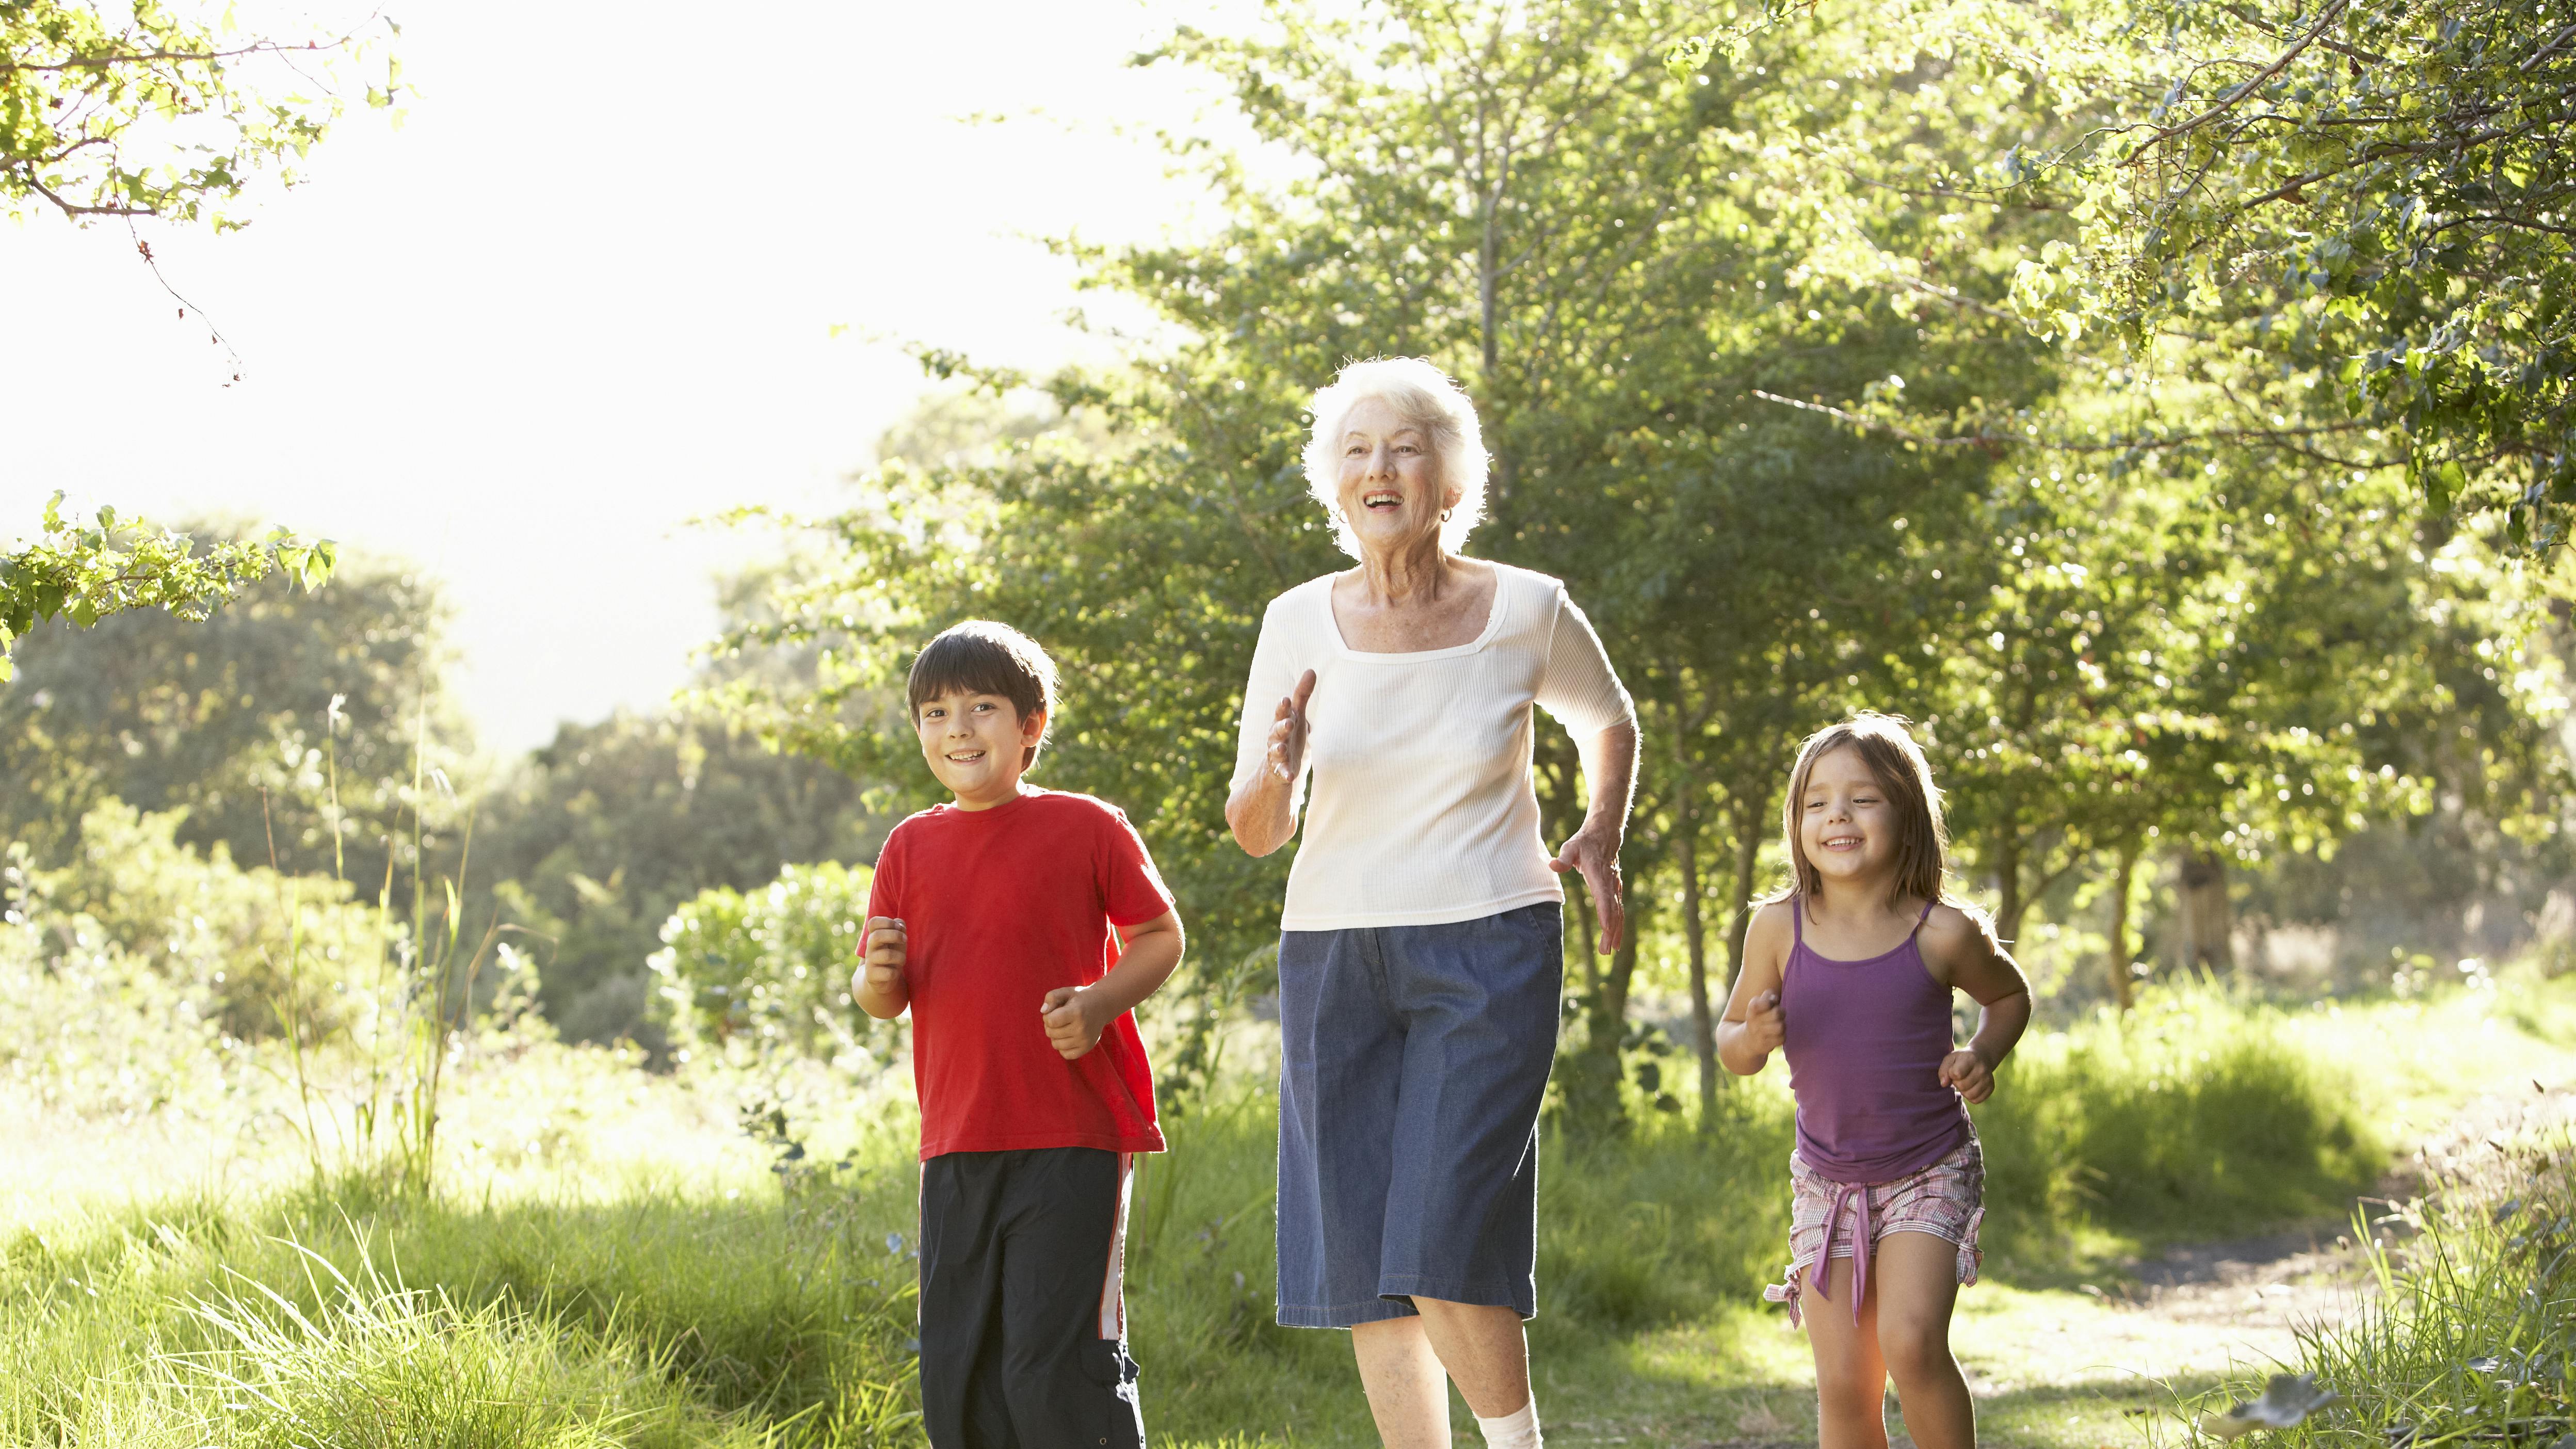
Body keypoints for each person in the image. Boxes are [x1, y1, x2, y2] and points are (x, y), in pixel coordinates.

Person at [1226, 356, 1637, 1449]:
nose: (1379, 466)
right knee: (1365, 1257)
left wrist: (1601, 829)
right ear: (1334, 485)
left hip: (1489, 941)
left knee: (1439, 1231)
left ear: (1451, 484)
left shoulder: (1527, 609)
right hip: (1332, 949)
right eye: (1356, 450)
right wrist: (1281, 766)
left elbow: (1608, 717)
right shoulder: (1295, 623)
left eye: (1405, 447)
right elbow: (1259, 831)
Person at [854, 620, 1184, 1449]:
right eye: (935, 712)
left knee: (1055, 1358)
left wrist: (1100, 1004)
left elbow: (1161, 937)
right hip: (957, 1141)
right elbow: (878, 996)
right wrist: (875, 976)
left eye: (982, 707)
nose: (958, 729)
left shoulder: (1088, 827)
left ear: (1031, 726)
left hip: (1073, 1134)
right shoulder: (908, 847)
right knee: (960, 1358)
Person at [1715, 713, 2033, 1449]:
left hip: (1929, 1168)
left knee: (1914, 1342)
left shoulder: (1943, 931)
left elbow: (2010, 997)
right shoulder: (1777, 928)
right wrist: (1753, 1038)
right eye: (1818, 802)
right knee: (1844, 1383)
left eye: (1863, 799)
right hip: (1827, 1183)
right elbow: (1732, 1044)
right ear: (1796, 823)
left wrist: (1983, 1053)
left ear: (1907, 814)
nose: (1838, 816)